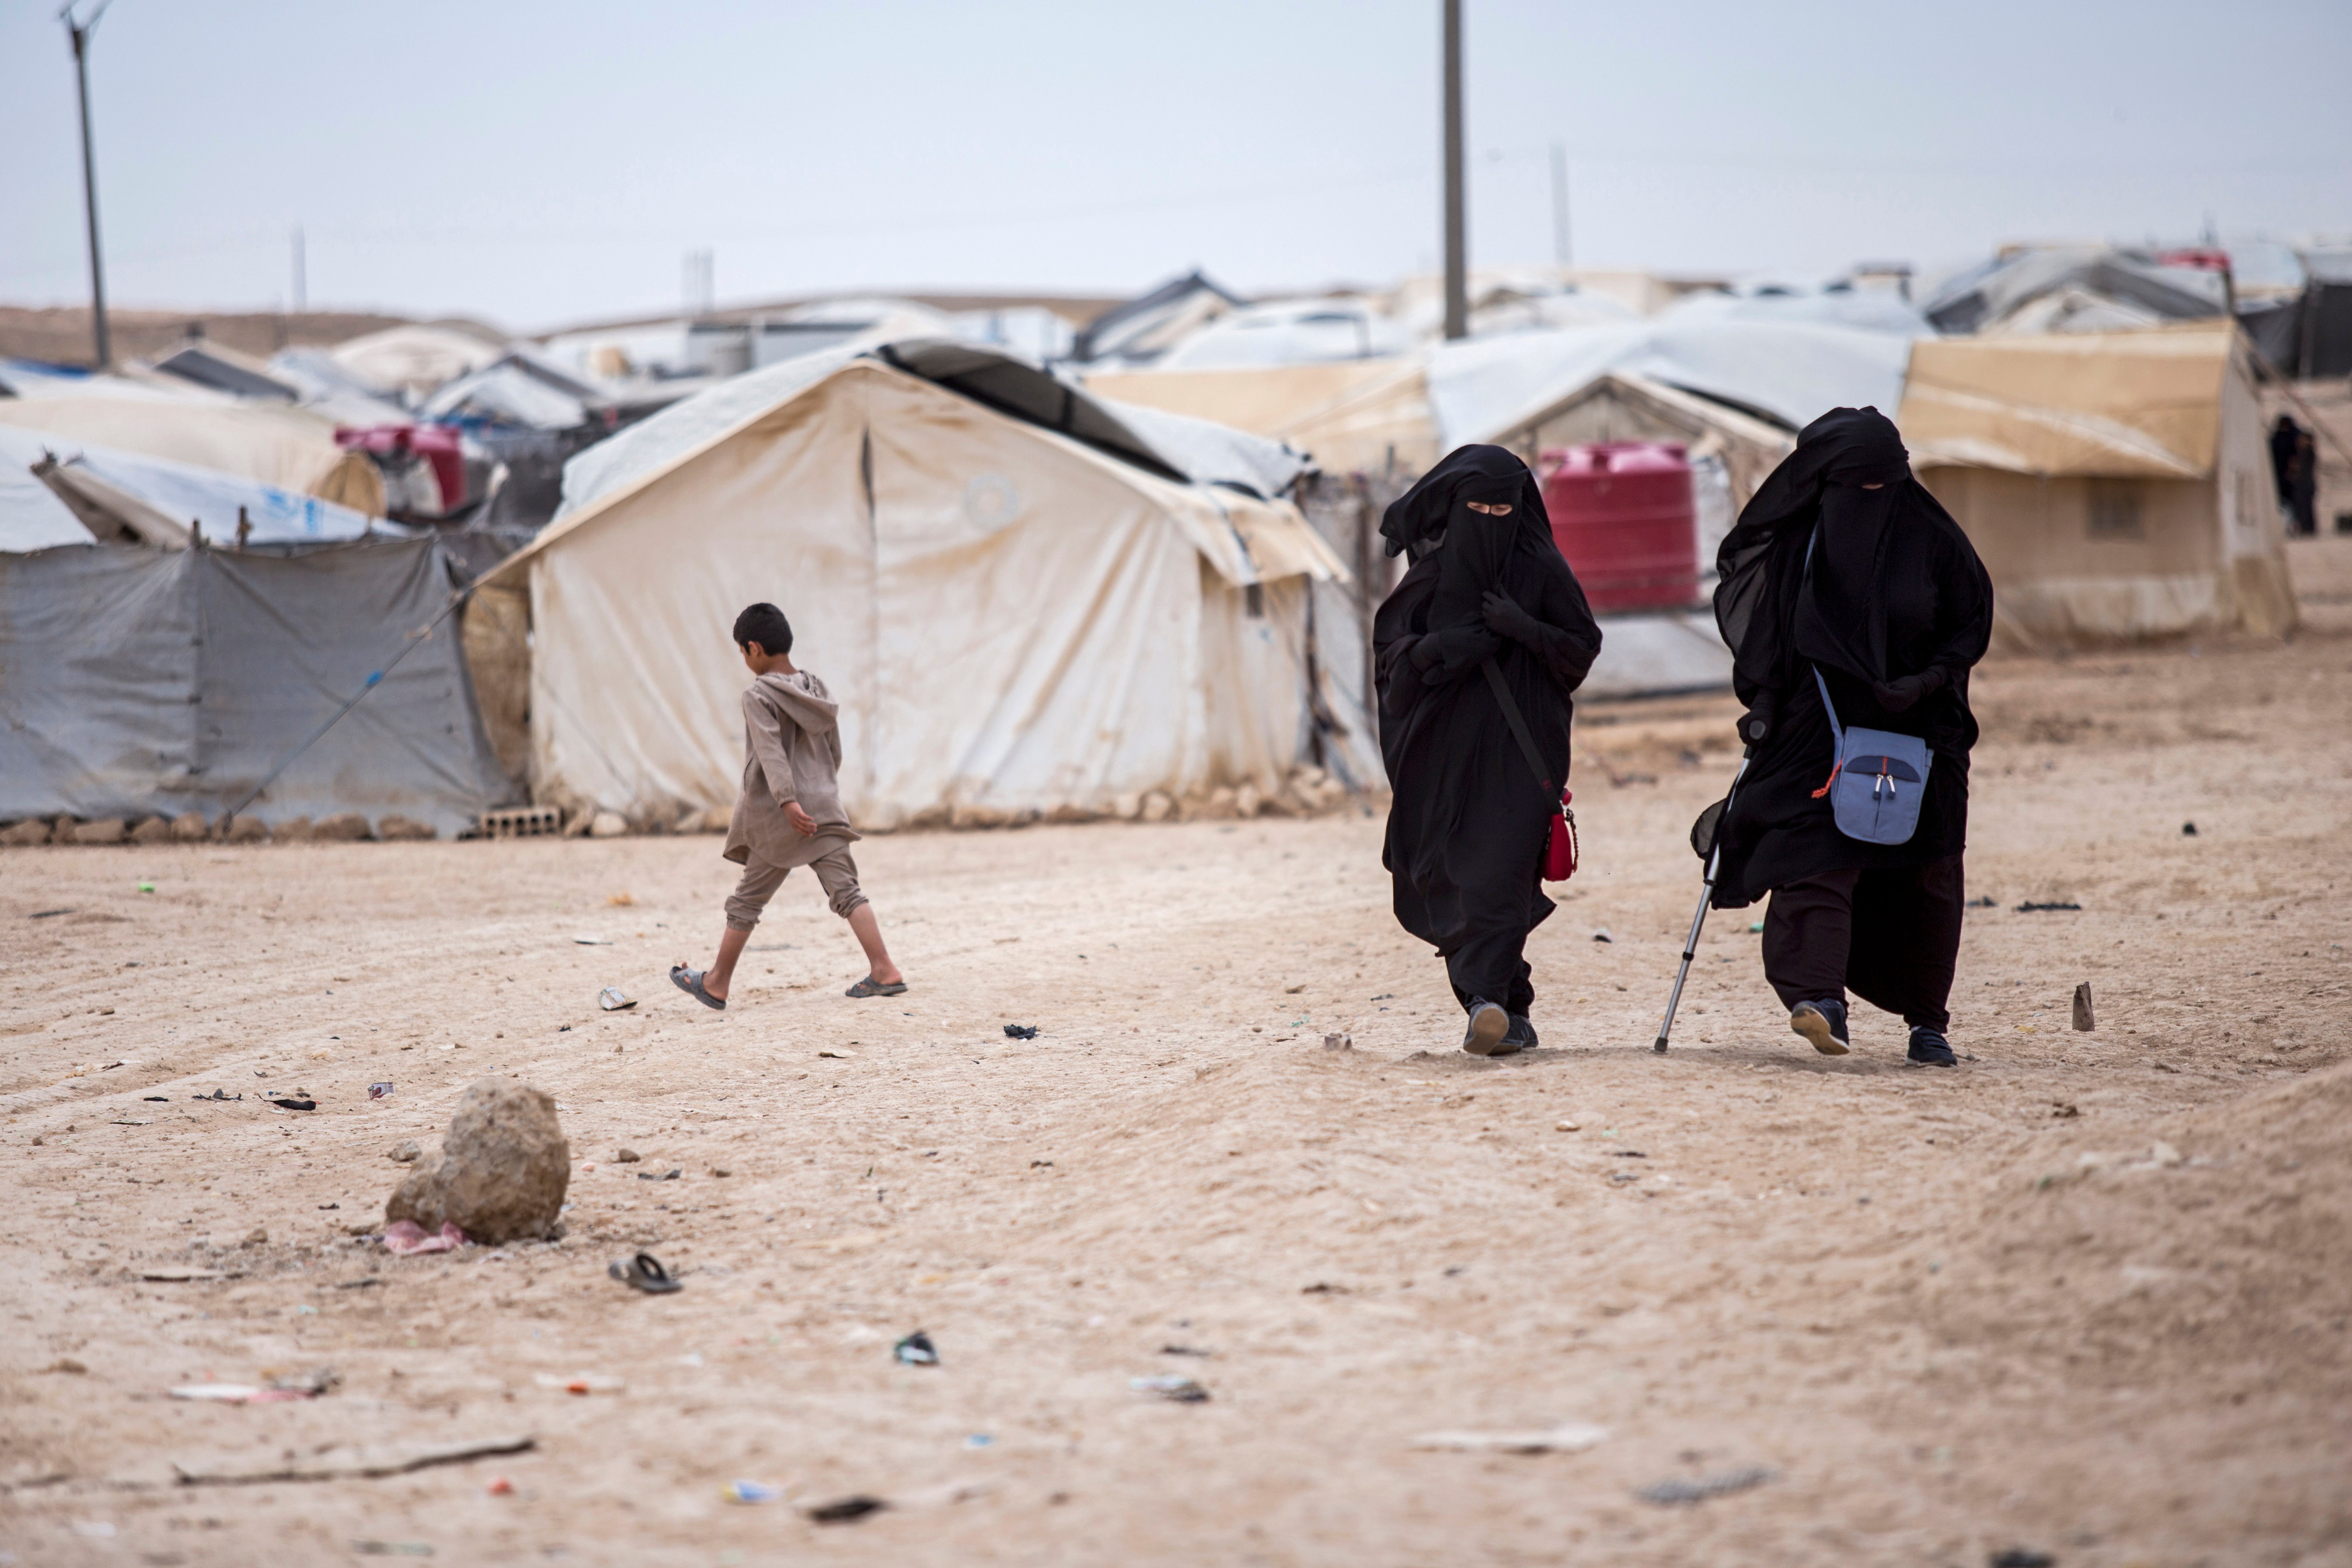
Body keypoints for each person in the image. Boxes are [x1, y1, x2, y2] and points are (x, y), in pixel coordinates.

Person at [1706, 407, 1992, 1066]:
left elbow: (1967, 627)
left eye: (1882, 488)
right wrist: (1764, 708)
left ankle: (1928, 1023)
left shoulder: (1935, 539)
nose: (1870, 503)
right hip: (1818, 725)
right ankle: (1820, 1000)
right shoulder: (1799, 545)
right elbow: (1772, 641)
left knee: (1927, 872)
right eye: (1854, 490)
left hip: (1920, 725)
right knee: (1816, 853)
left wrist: (1922, 683)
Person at [1373, 445, 1602, 1055]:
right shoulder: (1431, 578)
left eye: (1505, 507)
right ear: (1455, 508)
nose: (1493, 519)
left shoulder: (1543, 572)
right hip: (1440, 760)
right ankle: (1510, 1008)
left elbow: (1581, 648)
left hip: (1522, 755)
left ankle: (1485, 1003)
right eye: (1479, 508)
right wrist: (1438, 648)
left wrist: (1521, 628)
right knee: (1456, 879)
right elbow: (1392, 659)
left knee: (1499, 876)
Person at [671, 603, 905, 1010]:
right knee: (848, 892)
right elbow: (834, 750)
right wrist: (821, 789)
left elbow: (771, 754)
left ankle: (716, 982)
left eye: (743, 652)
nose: (745, 660)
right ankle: (884, 969)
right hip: (825, 805)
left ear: (755, 649)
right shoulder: (816, 689)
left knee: (748, 899)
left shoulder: (758, 695)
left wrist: (788, 801)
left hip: (783, 816)